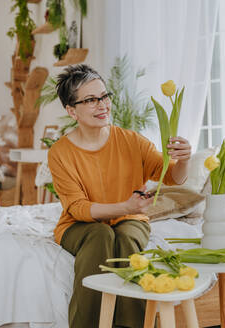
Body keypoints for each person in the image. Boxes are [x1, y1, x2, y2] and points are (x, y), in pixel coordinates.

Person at [48, 64, 192, 328]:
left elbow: (170, 175)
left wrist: (184, 159)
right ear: (71, 111)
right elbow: (78, 208)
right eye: (91, 100)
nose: (102, 105)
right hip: (78, 225)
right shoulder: (60, 153)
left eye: (104, 96)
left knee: (125, 237)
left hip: (131, 219)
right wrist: (124, 205)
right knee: (100, 235)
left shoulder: (131, 141)